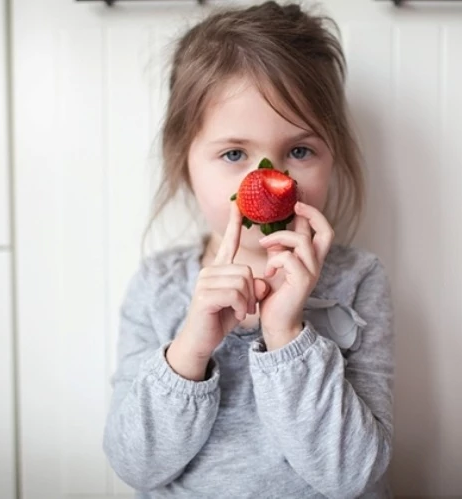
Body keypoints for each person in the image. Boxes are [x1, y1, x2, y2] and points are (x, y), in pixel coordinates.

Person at [102, 2, 394, 497]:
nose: (270, 179)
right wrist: (190, 348)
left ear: (332, 156)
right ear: (184, 162)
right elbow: (136, 464)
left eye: (299, 151)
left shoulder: (358, 280)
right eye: (234, 154)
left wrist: (286, 333)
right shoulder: (160, 285)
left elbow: (353, 474)